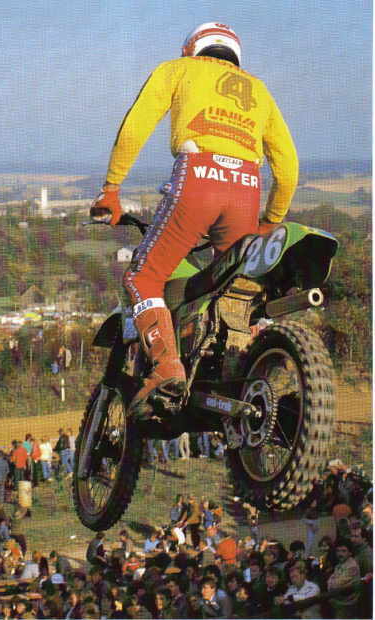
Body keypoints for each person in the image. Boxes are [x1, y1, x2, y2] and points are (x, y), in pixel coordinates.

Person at [90, 21, 298, 419]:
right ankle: (234, 371)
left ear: (191, 49)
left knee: (143, 277)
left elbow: (135, 127)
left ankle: (167, 366)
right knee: (232, 289)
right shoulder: (259, 90)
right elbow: (287, 168)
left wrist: (111, 189)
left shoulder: (177, 69)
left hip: (197, 178)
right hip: (246, 189)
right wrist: (271, 220)